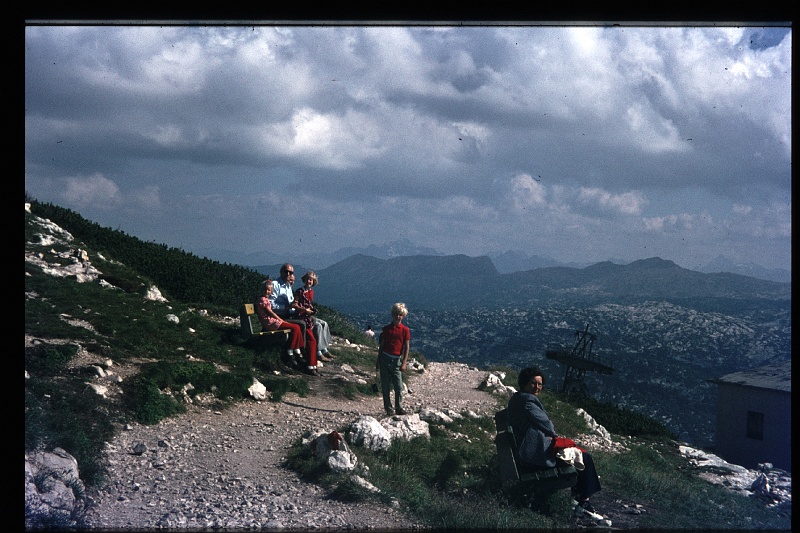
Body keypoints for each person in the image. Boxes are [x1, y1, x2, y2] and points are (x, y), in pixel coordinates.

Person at [507, 367, 603, 520]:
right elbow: (548, 426)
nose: (537, 387)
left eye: (540, 384)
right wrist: (551, 436)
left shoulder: (518, 399)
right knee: (585, 458)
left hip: (525, 451)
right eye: (534, 383)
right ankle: (583, 502)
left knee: (580, 456)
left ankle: (580, 500)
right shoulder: (528, 402)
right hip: (534, 455)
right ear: (525, 382)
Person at [269, 264, 318, 375]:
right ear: (281, 272)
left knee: (310, 324)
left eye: (291, 272)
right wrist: (289, 308)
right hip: (279, 316)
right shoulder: (275, 285)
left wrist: (297, 308)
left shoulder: (287, 286)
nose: (288, 274)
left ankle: (305, 354)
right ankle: (297, 352)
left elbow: (293, 305)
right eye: (286, 271)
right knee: (301, 325)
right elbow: (270, 306)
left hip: (288, 315)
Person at [255, 279, 306, 366]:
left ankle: (296, 349)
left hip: (271, 322)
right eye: (266, 289)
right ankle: (291, 351)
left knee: (296, 327)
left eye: (269, 290)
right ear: (262, 289)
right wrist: (280, 320)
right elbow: (270, 312)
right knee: (295, 327)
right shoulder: (263, 300)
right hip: (270, 323)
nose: (267, 291)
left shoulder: (264, 299)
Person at [378, 302, 411, 416]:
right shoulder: (386, 329)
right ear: (392, 315)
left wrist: (404, 363)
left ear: (403, 316)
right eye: (396, 314)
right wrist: (378, 360)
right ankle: (388, 408)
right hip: (385, 358)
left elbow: (406, 347)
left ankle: (399, 407)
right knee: (385, 386)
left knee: (398, 386)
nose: (398, 316)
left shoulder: (405, 330)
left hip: (397, 360)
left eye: (400, 314)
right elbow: (382, 345)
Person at [294, 271, 334, 362]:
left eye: (311, 280)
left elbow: (309, 303)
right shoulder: (300, 291)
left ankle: (325, 349)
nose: (309, 281)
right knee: (318, 326)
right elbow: (295, 304)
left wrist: (312, 309)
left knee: (325, 323)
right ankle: (318, 352)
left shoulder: (310, 292)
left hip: (308, 314)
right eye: (308, 279)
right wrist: (305, 310)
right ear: (304, 280)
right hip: (301, 315)